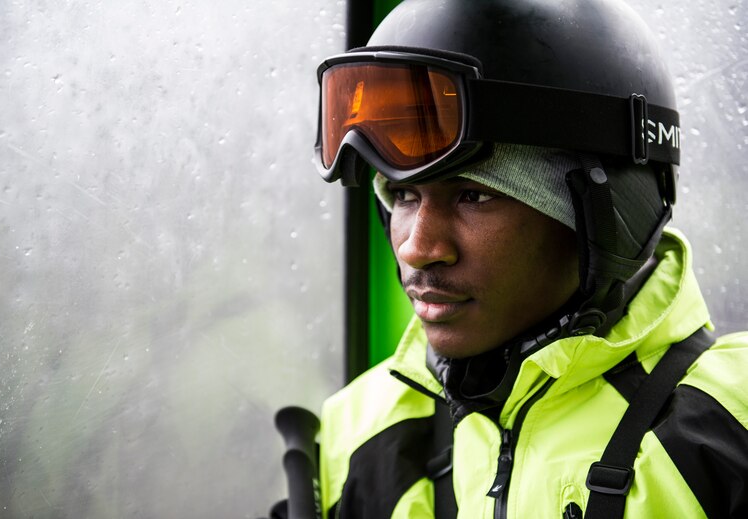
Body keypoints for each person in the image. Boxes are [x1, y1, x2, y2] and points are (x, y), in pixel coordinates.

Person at [312, 0, 748, 517]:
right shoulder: (359, 433)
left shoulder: (729, 424)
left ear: (609, 220)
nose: (416, 248)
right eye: (403, 197)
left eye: (473, 196)